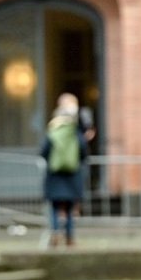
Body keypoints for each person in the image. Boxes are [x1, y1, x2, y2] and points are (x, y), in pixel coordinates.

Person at [40, 92, 89, 247]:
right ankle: (69, 237)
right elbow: (83, 152)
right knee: (68, 209)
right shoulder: (75, 132)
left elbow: (44, 151)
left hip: (55, 175)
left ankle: (55, 232)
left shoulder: (53, 131)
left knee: (55, 207)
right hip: (72, 174)